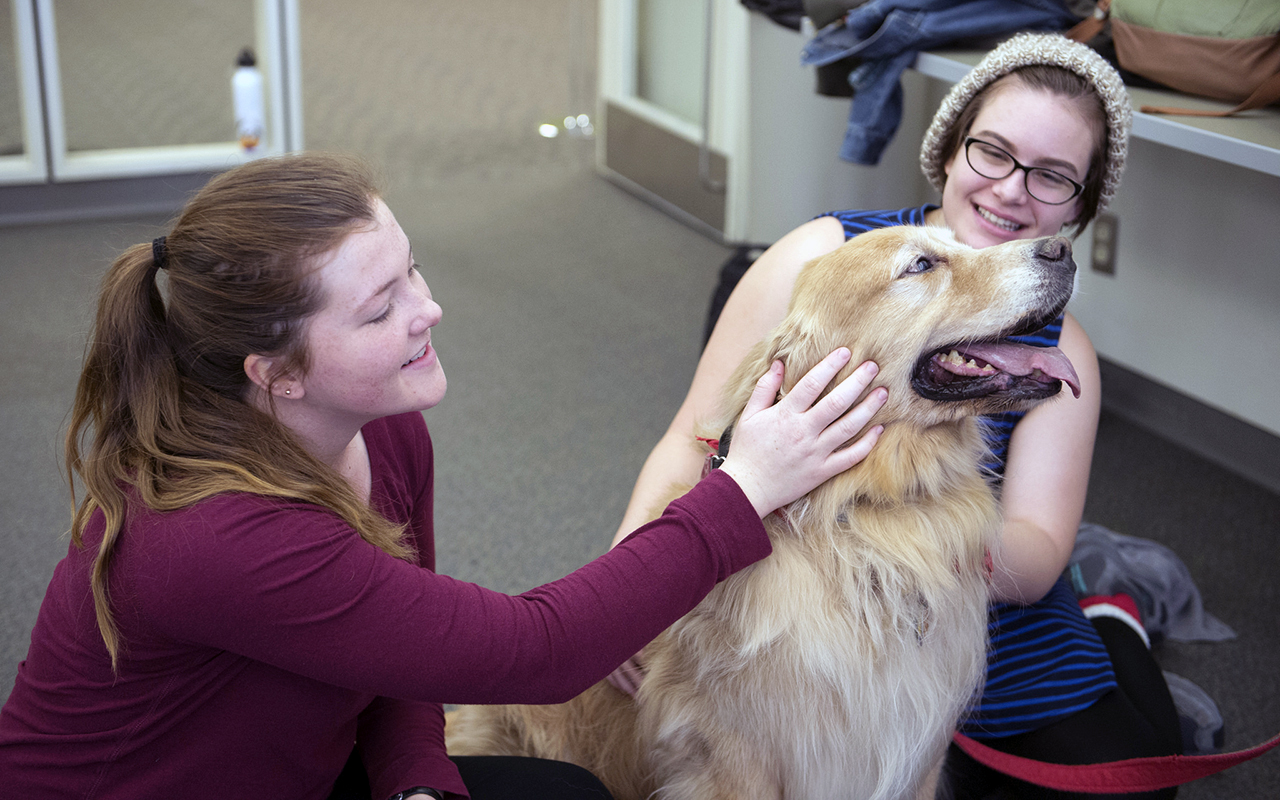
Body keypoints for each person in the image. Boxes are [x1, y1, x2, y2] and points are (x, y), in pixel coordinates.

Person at [0, 153, 891, 800]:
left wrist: (418, 785)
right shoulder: (213, 535)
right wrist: (740, 488)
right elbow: (529, 651)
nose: (430, 308)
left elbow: (398, 661)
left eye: (412, 268)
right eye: (381, 307)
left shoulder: (381, 438)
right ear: (275, 374)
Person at [611, 33, 1183, 800]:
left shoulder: (1059, 346)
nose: (1013, 190)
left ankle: (1116, 619)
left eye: (1052, 176)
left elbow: (1037, 549)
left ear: (1077, 208)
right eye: (993, 152)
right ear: (949, 150)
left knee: (1139, 780)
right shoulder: (820, 258)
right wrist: (626, 586)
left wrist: (917, 540)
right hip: (808, 566)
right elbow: (695, 439)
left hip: (988, 606)